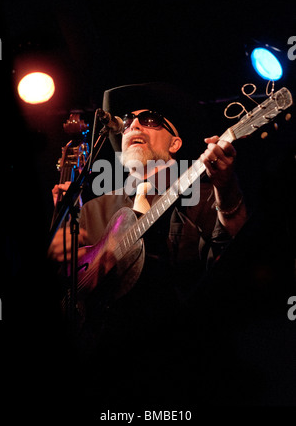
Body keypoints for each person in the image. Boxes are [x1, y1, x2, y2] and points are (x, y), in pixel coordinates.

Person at [48, 83, 248, 409]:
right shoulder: (93, 210)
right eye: (127, 121)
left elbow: (232, 262)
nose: (134, 126)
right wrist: (62, 252)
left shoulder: (202, 191)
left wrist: (226, 191)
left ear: (176, 142)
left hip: (177, 367)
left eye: (151, 120)